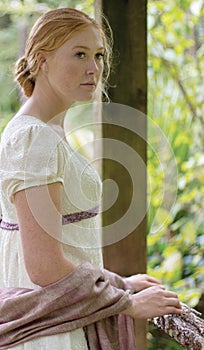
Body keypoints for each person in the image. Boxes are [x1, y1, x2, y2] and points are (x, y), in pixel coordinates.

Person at [0, 7, 183, 350]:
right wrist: (127, 303)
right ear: (41, 60)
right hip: (48, 334)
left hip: (63, 319)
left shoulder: (49, 131)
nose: (93, 68)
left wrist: (119, 282)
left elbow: (67, 244)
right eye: (79, 54)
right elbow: (44, 266)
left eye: (98, 55)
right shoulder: (32, 139)